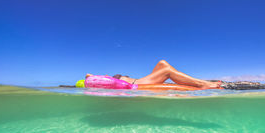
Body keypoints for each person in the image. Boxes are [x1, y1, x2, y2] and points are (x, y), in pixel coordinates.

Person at [87, 60, 221, 89]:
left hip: (140, 80)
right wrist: (93, 76)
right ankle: (202, 84)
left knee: (163, 63)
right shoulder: (109, 81)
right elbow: (88, 76)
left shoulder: (113, 78)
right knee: (166, 71)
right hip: (135, 85)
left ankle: (191, 81)